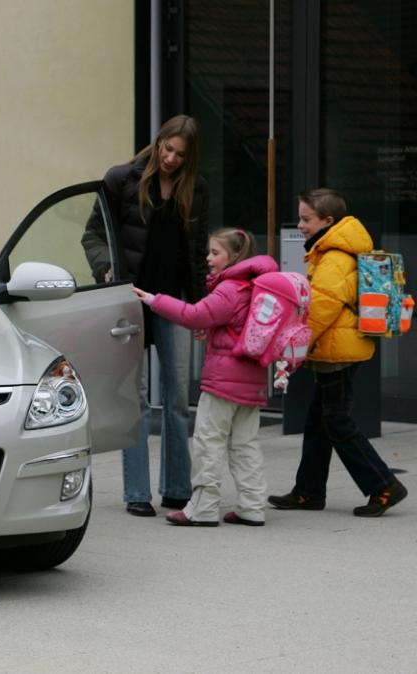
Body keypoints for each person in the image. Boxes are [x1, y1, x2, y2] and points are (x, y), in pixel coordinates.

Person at [83, 114, 209, 517]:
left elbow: (199, 249)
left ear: (190, 158)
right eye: (166, 148)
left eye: (179, 154)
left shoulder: (197, 189)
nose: (170, 158)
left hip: (174, 303)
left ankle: (176, 489)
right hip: (129, 301)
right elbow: (93, 234)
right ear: (157, 143)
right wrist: (107, 270)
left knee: (177, 399)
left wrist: (203, 307)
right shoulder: (121, 178)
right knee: (134, 399)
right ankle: (136, 493)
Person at [268, 189, 408, 517]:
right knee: (320, 421)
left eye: (306, 219)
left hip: (337, 351)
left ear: (327, 221)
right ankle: (308, 492)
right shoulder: (333, 251)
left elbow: (320, 311)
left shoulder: (333, 257)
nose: (301, 225)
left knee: (337, 420)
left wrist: (294, 350)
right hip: (340, 348)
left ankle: (383, 485)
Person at [133, 228, 275, 526]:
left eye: (215, 253)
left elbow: (193, 315)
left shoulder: (230, 288)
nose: (208, 258)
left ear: (234, 256)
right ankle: (252, 506)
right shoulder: (255, 287)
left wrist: (154, 299)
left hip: (223, 381)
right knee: (245, 444)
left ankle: (203, 507)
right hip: (252, 380)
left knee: (208, 442)